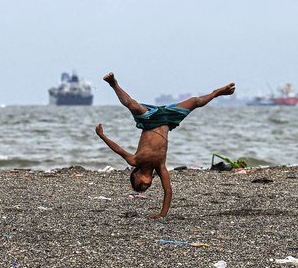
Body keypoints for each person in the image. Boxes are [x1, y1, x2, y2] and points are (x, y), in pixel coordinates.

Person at [95, 72, 235, 219]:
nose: (144, 187)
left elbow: (118, 149)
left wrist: (102, 136)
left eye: (139, 186)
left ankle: (113, 83)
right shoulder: (160, 167)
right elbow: (168, 191)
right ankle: (217, 93)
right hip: (168, 119)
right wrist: (162, 214)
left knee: (132, 105)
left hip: (149, 119)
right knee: (195, 101)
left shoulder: (135, 160)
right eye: (144, 189)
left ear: (135, 175)